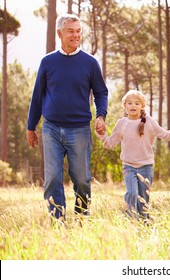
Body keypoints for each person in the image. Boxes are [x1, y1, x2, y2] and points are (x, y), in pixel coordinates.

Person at [26, 14, 108, 221]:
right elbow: (38, 96)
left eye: (79, 31)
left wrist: (101, 115)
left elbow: (101, 92)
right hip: (51, 129)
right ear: (60, 33)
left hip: (79, 129)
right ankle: (57, 220)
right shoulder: (48, 62)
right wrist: (31, 127)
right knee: (52, 178)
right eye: (71, 31)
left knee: (81, 179)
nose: (76, 35)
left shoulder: (90, 63)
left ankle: (82, 218)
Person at [95, 90, 170, 220]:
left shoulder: (149, 122)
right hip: (129, 166)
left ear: (142, 106)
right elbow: (110, 143)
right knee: (132, 193)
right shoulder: (122, 123)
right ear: (124, 105)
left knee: (143, 199)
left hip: (146, 166)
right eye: (130, 103)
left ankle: (144, 224)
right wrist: (101, 134)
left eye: (137, 103)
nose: (133, 106)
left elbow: (166, 135)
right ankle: (132, 219)